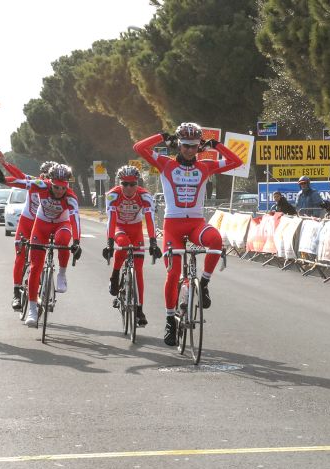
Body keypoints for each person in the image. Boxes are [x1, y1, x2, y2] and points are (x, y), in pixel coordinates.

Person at [133, 122, 243, 346]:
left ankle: (202, 285)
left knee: (215, 240)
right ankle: (169, 320)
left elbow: (236, 162)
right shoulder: (165, 164)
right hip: (172, 226)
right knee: (173, 274)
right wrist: (162, 136)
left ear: (199, 147)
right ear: (179, 145)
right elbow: (139, 148)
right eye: (185, 146)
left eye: (194, 146)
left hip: (196, 224)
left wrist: (217, 145)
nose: (190, 150)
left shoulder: (206, 166)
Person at [0, 151, 57, 310]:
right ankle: (16, 292)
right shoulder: (35, 182)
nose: (47, 179)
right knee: (20, 254)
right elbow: (18, 175)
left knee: (46, 255)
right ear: (40, 175)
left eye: (50, 177)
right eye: (44, 175)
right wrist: (4, 163)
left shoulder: (57, 188)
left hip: (44, 224)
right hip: (27, 222)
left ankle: (45, 281)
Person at [22, 164, 81, 327]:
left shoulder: (71, 197)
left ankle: (62, 273)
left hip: (62, 224)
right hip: (41, 224)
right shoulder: (42, 185)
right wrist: (2, 179)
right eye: (56, 187)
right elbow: (21, 182)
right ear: (50, 182)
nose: (59, 191)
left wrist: (76, 241)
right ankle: (32, 309)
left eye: (63, 187)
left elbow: (75, 220)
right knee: (35, 267)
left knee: (63, 241)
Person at [103, 165, 161, 327]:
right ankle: (115, 276)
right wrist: (109, 242)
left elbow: (150, 219)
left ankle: (140, 309)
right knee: (123, 245)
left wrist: (153, 241)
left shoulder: (145, 196)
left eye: (132, 184)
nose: (128, 187)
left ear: (138, 183)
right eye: (125, 184)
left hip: (135, 230)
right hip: (119, 227)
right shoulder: (113, 195)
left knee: (138, 270)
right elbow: (111, 219)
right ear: (119, 183)